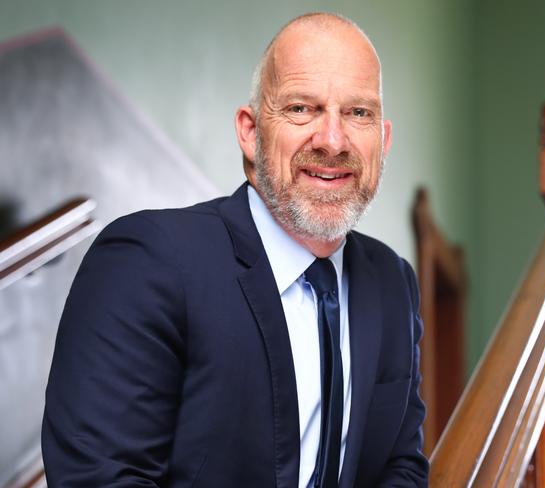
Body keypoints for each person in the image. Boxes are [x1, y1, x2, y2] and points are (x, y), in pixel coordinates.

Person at [42, 12, 429, 488]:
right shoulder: (147, 261)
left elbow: (401, 465)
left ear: (382, 140)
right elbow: (100, 478)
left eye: (358, 113)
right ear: (249, 132)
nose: (333, 141)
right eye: (301, 108)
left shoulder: (393, 283)